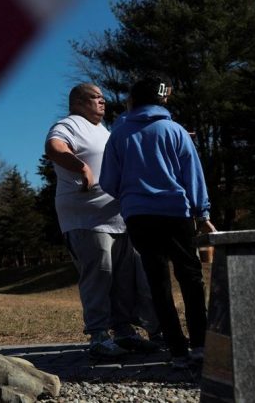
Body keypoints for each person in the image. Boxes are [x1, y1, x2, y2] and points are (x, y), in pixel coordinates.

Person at [101, 77, 216, 369]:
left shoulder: (118, 134)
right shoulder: (175, 131)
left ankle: (177, 351)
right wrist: (202, 213)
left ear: (133, 100)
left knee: (158, 282)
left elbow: (107, 182)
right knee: (190, 278)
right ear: (162, 100)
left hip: (139, 216)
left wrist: (131, 196)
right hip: (175, 212)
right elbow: (194, 176)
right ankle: (201, 346)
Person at [45, 83, 160, 359]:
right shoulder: (68, 124)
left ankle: (123, 332)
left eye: (103, 98)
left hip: (116, 217)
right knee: (99, 275)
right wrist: (81, 166)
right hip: (86, 217)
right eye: (96, 98)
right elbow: (54, 147)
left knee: (122, 277)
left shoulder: (104, 130)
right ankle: (98, 335)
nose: (103, 102)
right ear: (78, 102)